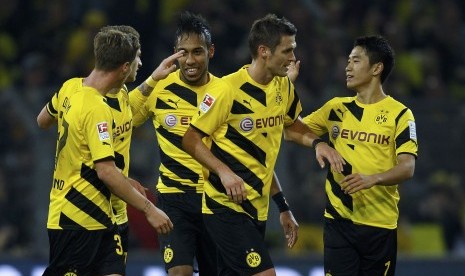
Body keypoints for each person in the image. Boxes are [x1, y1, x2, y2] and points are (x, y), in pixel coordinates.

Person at [132, 11, 300, 275]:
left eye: (197, 52)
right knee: (180, 272)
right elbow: (122, 118)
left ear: (211, 51)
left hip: (216, 198)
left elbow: (254, 156)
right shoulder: (159, 89)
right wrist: (152, 79)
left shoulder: (226, 92)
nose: (190, 60)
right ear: (174, 53)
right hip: (175, 197)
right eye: (183, 52)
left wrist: (282, 205)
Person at [182, 13, 345, 275]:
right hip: (224, 207)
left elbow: (291, 127)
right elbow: (190, 138)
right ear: (264, 51)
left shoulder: (283, 87)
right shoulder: (226, 90)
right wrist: (224, 172)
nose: (293, 57)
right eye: (287, 50)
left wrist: (317, 145)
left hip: (257, 209)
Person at [37, 25, 184, 267]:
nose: (140, 62)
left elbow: (43, 120)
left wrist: (153, 79)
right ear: (124, 66)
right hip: (77, 217)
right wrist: (149, 209)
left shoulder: (73, 87)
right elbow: (105, 171)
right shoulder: (96, 108)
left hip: (110, 217)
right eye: (137, 57)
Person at [301, 35, 418, 275]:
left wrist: (371, 178)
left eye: (355, 61)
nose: (347, 67)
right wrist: (319, 144)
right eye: (348, 61)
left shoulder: (400, 114)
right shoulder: (335, 108)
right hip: (338, 221)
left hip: (379, 226)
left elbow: (407, 167)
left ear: (377, 68)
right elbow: (291, 129)